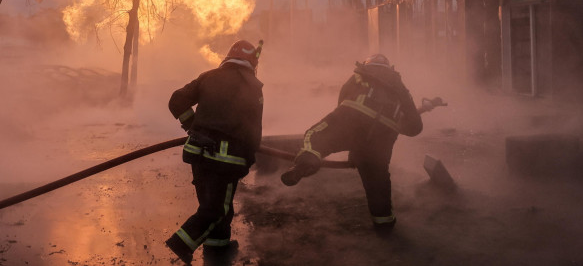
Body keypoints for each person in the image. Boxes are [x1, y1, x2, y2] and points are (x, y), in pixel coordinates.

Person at [280, 53, 422, 232]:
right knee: (377, 180)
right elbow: (415, 128)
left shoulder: (361, 73)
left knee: (317, 135)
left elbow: (343, 99)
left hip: (353, 118)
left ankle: (306, 162)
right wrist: (393, 124)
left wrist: (345, 130)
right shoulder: (400, 87)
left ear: (368, 63)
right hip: (382, 139)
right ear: (389, 67)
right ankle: (384, 223)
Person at [165, 39, 264, 264]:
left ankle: (218, 251)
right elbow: (253, 130)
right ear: (252, 62)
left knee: (214, 206)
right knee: (216, 210)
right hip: (226, 161)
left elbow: (176, 100)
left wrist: (192, 125)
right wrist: (248, 160)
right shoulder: (253, 87)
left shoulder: (208, 76)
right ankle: (181, 242)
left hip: (198, 155)